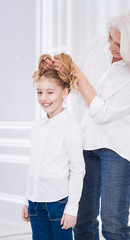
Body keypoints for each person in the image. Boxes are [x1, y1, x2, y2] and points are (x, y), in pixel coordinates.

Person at [41, 9, 130, 240]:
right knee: (82, 221)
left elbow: (103, 112)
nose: (111, 45)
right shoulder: (100, 44)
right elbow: (83, 90)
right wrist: (62, 72)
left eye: (118, 44)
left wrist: (76, 70)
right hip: (86, 141)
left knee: (113, 225)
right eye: (110, 37)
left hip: (118, 147)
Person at [22, 53, 85, 240]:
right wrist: (27, 199)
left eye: (50, 92)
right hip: (36, 204)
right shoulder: (36, 128)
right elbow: (33, 167)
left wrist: (72, 208)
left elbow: (77, 170)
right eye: (40, 92)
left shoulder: (71, 128)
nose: (44, 98)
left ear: (64, 93)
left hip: (58, 204)